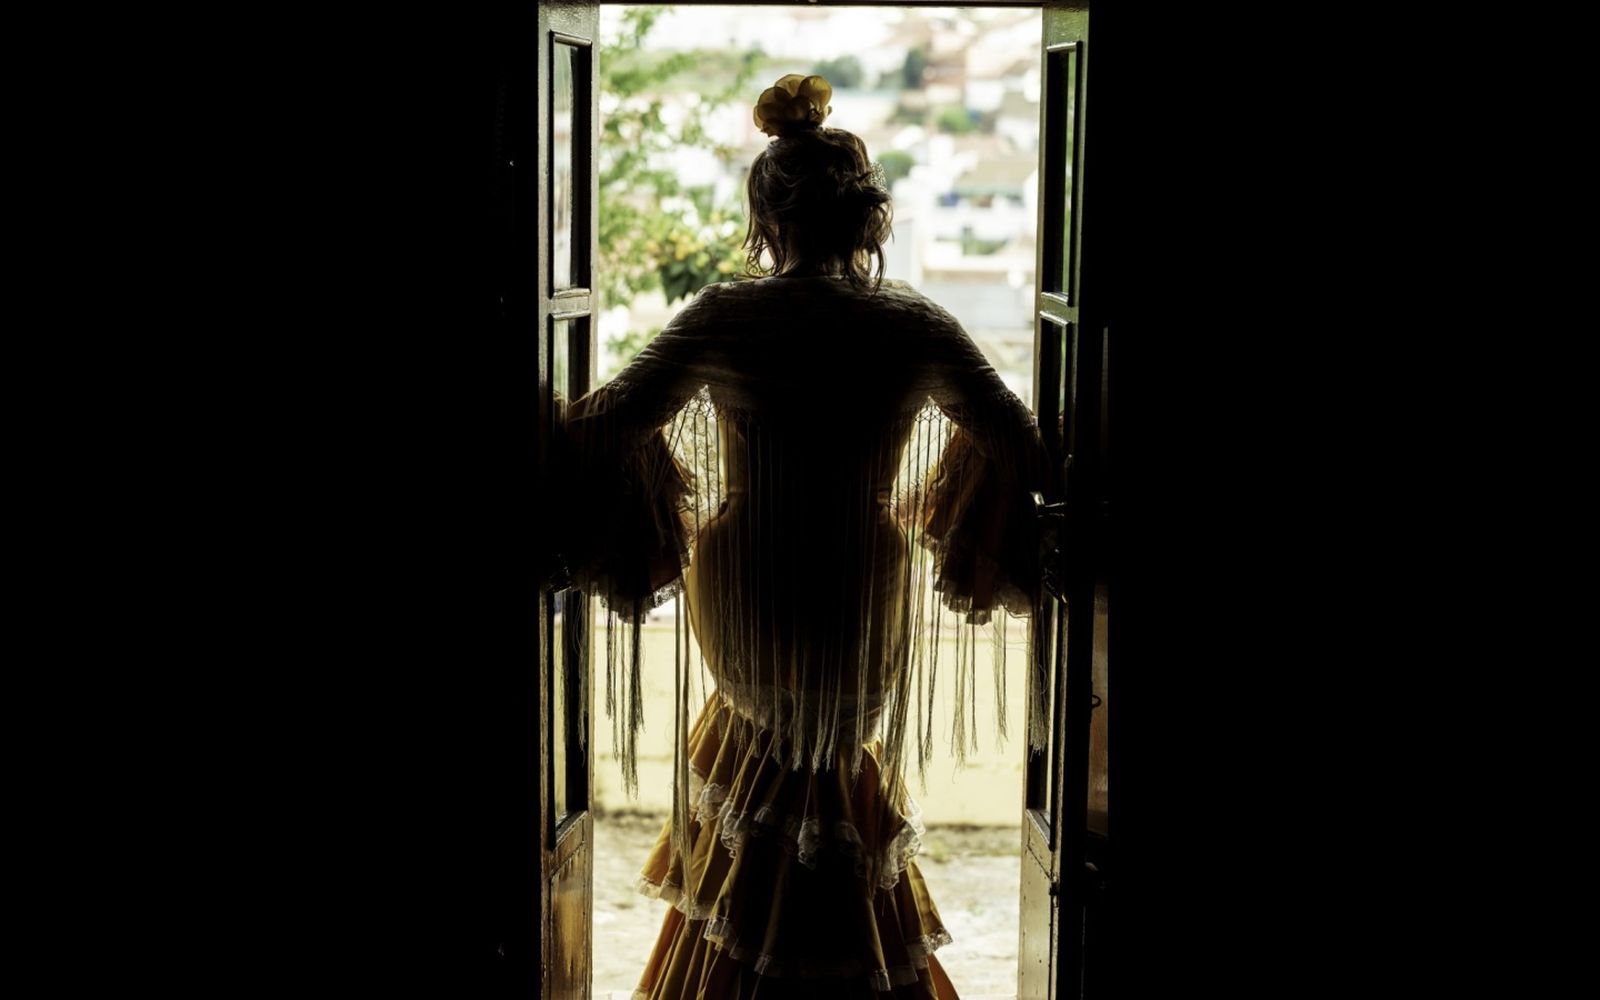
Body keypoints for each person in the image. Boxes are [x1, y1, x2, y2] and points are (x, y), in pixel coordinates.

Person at [561, 74, 1053, 1000]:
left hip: (745, 574)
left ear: (767, 217)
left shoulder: (725, 316)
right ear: (865, 218)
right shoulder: (912, 321)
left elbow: (607, 424)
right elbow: (1018, 441)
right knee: (830, 764)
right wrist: (933, 502)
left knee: (764, 753)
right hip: (862, 575)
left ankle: (742, 966)